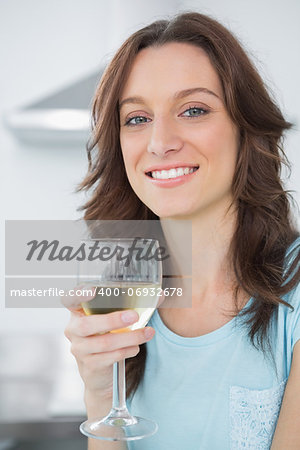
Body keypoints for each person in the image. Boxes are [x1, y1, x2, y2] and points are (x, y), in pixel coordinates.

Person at [64, 12, 300, 450]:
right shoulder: (120, 287)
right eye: (136, 118)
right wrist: (99, 393)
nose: (160, 142)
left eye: (193, 110)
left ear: (245, 128)